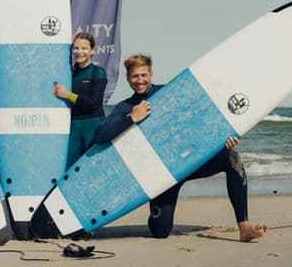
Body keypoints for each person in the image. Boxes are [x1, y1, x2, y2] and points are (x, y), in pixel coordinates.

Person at [94, 53, 267, 242]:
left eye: (144, 75)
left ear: (151, 74)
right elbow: (101, 135)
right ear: (128, 79)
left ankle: (244, 227)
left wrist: (226, 137)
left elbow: (202, 113)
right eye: (135, 76)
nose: (140, 80)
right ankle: (156, 215)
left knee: (232, 158)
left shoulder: (170, 93)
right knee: (161, 232)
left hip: (190, 161)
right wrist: (132, 117)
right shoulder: (126, 107)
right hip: (163, 176)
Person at [53, 32, 108, 168]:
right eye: (76, 48)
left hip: (93, 126)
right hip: (74, 127)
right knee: (70, 169)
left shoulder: (98, 72)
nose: (79, 52)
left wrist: (68, 95)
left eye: (84, 48)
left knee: (93, 168)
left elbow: (93, 104)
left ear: (92, 50)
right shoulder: (68, 73)